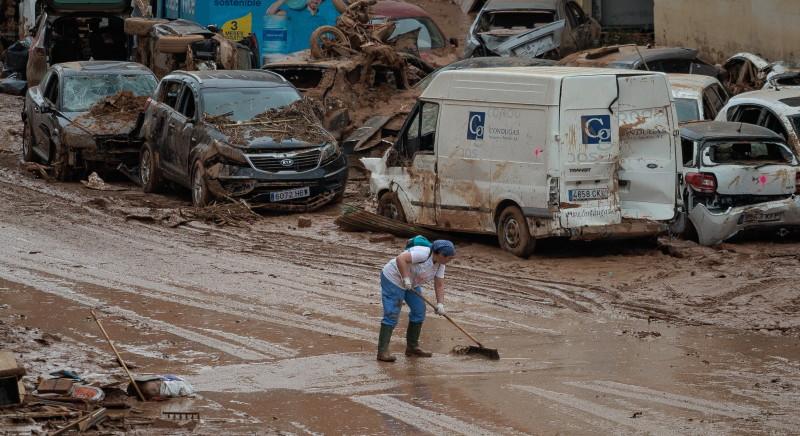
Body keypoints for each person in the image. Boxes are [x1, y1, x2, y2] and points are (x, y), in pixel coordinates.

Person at [377, 239, 456, 362]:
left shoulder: (440, 264)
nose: (450, 261)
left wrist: (440, 304)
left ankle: (412, 347)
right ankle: (382, 352)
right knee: (392, 314)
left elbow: (439, 284)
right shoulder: (423, 254)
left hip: (411, 284)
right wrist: (405, 278)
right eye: (449, 258)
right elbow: (400, 259)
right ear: (439, 254)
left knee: (419, 311)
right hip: (394, 279)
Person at [266, 0, 339, 54]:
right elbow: (269, 13)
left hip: (312, 60)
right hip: (294, 57)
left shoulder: (322, 20)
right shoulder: (294, 12)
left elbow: (325, 41)